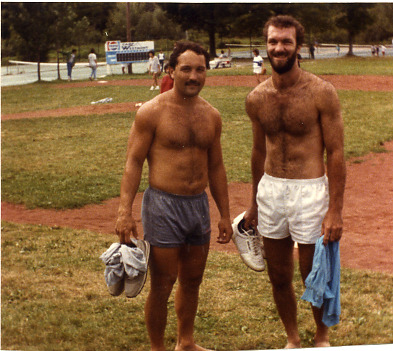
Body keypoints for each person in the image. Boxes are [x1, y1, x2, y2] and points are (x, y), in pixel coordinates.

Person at [115, 41, 233, 351]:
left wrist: (224, 214)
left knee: (192, 281)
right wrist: (124, 212)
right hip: (164, 206)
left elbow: (217, 167)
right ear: (171, 71)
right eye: (186, 69)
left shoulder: (212, 115)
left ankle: (186, 342)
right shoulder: (152, 112)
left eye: (200, 70)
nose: (194, 76)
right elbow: (133, 163)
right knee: (163, 284)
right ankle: (158, 348)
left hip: (197, 206)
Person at [244, 15, 346, 349]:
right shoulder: (257, 98)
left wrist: (335, 211)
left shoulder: (321, 92)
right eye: (273, 41)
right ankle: (293, 338)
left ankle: (321, 337)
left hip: (310, 191)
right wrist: (253, 202)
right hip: (271, 191)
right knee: (278, 275)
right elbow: (258, 152)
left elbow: (336, 153)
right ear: (266, 44)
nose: (279, 47)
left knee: (312, 273)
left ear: (298, 46)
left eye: (286, 41)